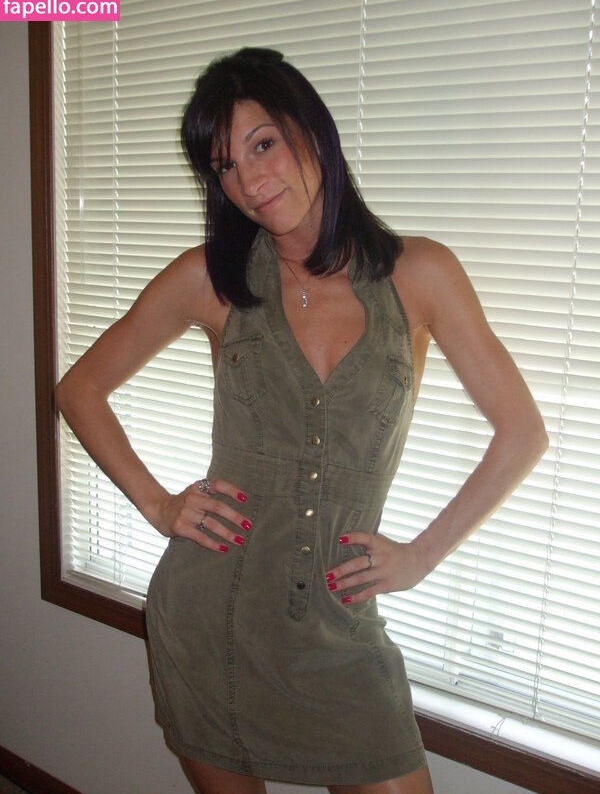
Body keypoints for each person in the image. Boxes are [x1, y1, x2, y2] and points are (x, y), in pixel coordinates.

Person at [55, 47, 548, 794]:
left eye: (263, 144)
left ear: (311, 131)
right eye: (225, 166)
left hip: (340, 631)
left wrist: (421, 556)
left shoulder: (421, 275)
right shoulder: (209, 280)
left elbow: (522, 433)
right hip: (211, 620)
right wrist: (159, 505)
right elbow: (80, 390)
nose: (250, 182)